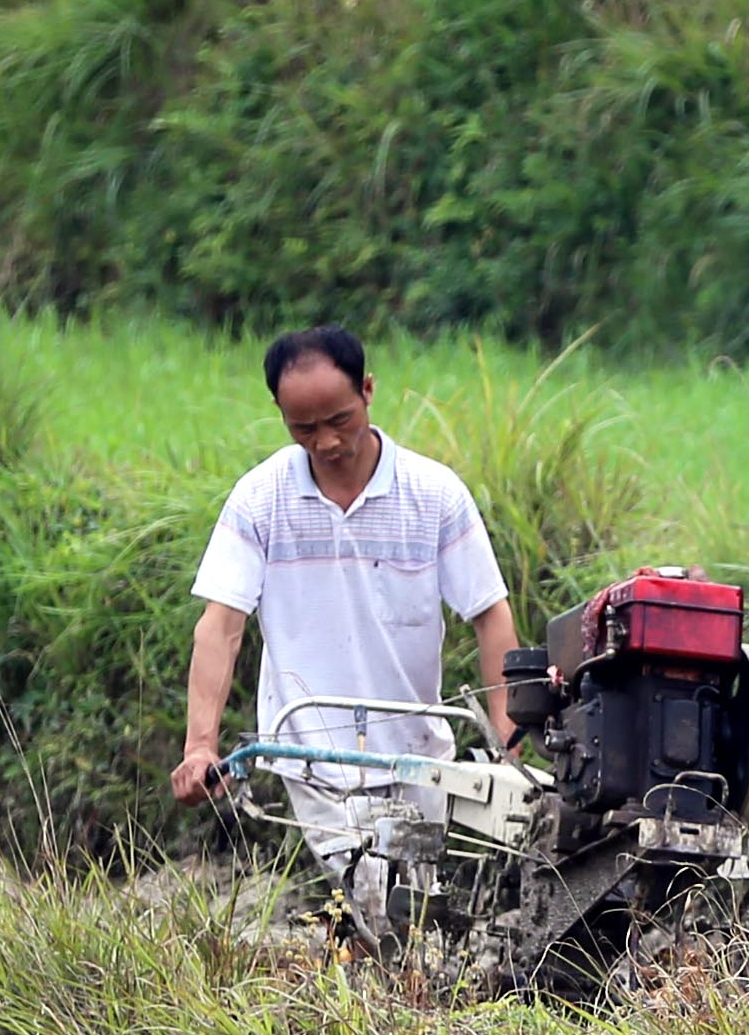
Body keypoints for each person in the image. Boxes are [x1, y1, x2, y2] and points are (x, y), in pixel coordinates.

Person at [170, 324, 521, 944]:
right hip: (313, 753)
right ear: (279, 414)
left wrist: (507, 735)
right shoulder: (260, 500)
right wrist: (201, 745)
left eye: (339, 419)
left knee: (422, 908)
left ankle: (397, 993)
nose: (327, 442)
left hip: (418, 751)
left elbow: (490, 614)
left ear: (368, 390)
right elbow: (220, 626)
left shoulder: (435, 495)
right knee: (388, 907)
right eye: (303, 429)